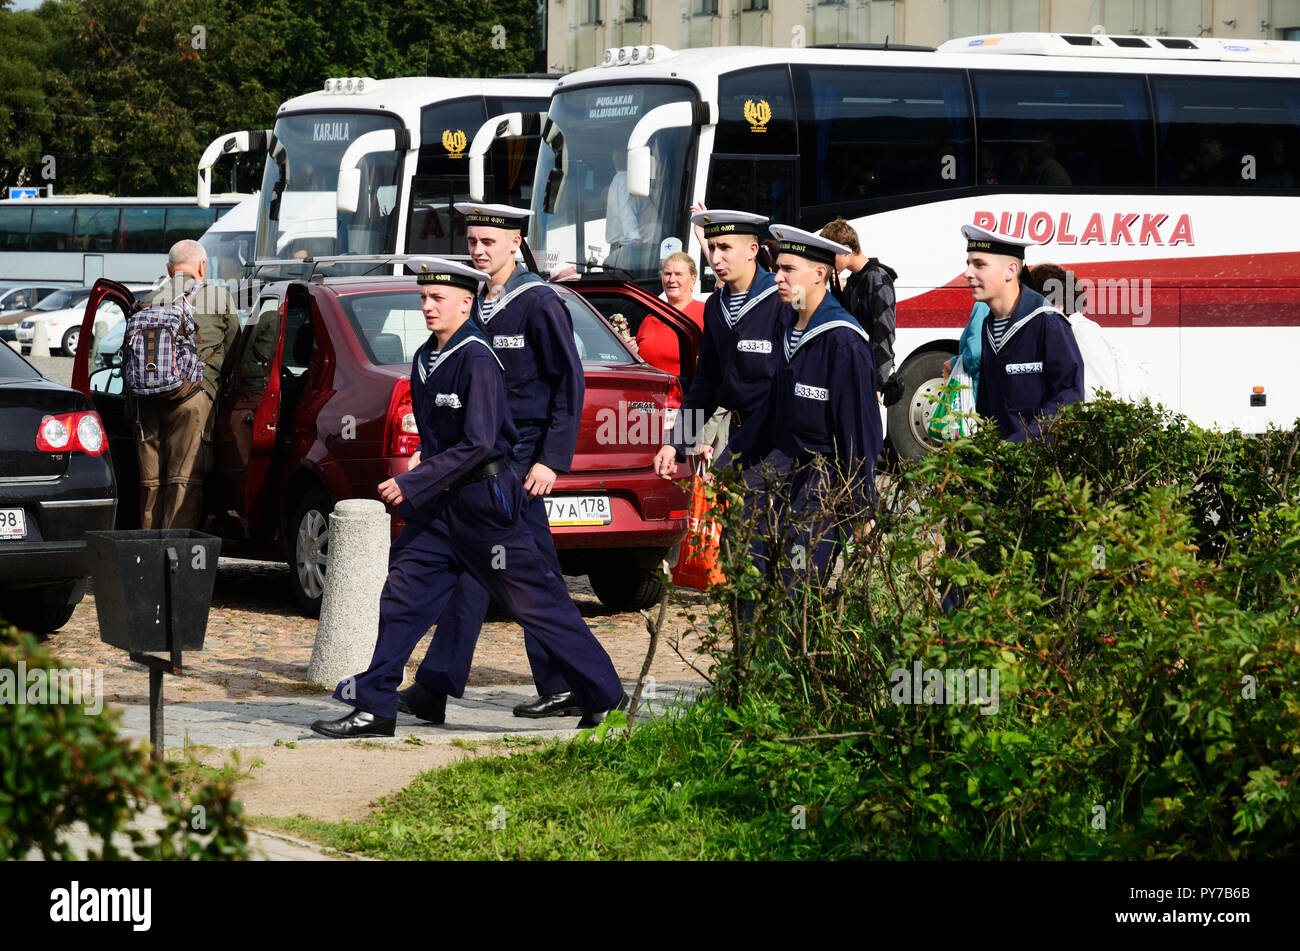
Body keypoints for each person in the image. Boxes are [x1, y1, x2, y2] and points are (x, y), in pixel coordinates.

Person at [310, 258, 626, 739]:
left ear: (466, 304)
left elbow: (479, 440)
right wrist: (423, 464)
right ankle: (376, 706)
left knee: (536, 602)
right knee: (401, 598)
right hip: (440, 511)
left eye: (439, 299)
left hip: (485, 507)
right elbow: (438, 435)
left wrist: (413, 480)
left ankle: (605, 693)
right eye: (423, 298)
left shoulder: (478, 358)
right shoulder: (423, 358)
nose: (428, 306)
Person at [397, 203, 587, 722]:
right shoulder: (472, 300)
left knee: (523, 577)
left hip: (521, 462)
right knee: (484, 572)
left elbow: (569, 383)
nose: (478, 250)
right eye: (473, 241)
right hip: (482, 462)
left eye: (488, 241)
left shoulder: (540, 302)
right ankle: (437, 686)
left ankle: (570, 683)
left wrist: (551, 459)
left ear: (515, 242)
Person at [723, 223, 882, 588]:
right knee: (752, 574)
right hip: (783, 468)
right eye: (777, 268)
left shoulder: (843, 340)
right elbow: (772, 412)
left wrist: (861, 509)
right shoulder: (789, 328)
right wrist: (729, 462)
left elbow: (859, 430)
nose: (777, 276)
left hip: (823, 482)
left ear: (819, 274)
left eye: (788, 269)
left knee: (798, 585)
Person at [653, 209, 783, 477]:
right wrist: (674, 441)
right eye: (711, 247)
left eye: (725, 247)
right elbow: (707, 382)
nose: (715, 257)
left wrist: (726, 466)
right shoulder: (715, 305)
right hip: (738, 436)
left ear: (752, 250)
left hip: (778, 442)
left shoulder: (781, 299)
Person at [134, 239, 238, 529]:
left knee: (150, 482)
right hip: (194, 399)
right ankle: (176, 561)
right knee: (185, 480)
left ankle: (147, 558)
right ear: (202, 267)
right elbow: (233, 352)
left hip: (146, 401)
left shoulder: (145, 301)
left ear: (169, 269)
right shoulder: (218, 298)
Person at [961, 224, 1084, 442]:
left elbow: (1068, 397)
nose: (968, 273)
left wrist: (1021, 444)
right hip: (1003, 465)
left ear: (1011, 270)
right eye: (968, 264)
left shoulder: (1048, 322)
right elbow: (988, 406)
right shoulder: (988, 325)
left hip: (1040, 466)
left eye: (979, 265)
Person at [819, 217, 901, 404]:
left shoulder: (876, 277)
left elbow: (884, 331)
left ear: (847, 249)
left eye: (831, 255)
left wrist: (878, 382)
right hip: (855, 367)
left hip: (868, 372)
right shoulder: (855, 279)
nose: (827, 261)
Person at [633, 251, 705, 377]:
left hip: (685, 393)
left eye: (679, 274)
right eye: (667, 274)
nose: (672, 279)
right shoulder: (651, 316)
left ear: (693, 279)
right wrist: (632, 351)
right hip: (649, 391)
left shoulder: (705, 313)